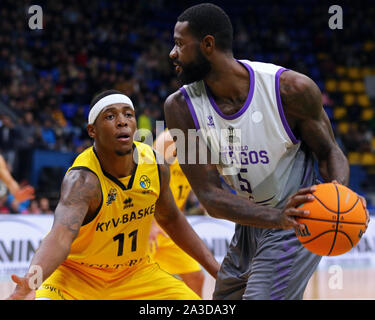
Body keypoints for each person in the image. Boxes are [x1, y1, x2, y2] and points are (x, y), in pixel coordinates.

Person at [164, 3, 370, 300]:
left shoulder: (290, 90)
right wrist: (274, 217)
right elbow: (209, 197)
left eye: (180, 44)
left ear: (208, 44)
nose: (172, 53)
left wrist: (337, 194)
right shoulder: (179, 108)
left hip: (298, 215)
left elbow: (328, 152)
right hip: (251, 220)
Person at [7, 90, 219, 300]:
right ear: (92, 131)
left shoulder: (154, 164)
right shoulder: (82, 180)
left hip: (135, 274)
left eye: (128, 114)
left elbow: (172, 219)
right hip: (76, 276)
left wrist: (218, 270)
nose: (122, 121)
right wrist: (30, 282)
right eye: (110, 116)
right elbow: (60, 237)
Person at [148, 129, 205, 297]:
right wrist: (150, 224)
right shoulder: (169, 139)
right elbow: (148, 179)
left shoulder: (200, 146)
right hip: (147, 221)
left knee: (196, 276)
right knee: (137, 282)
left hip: (170, 224)